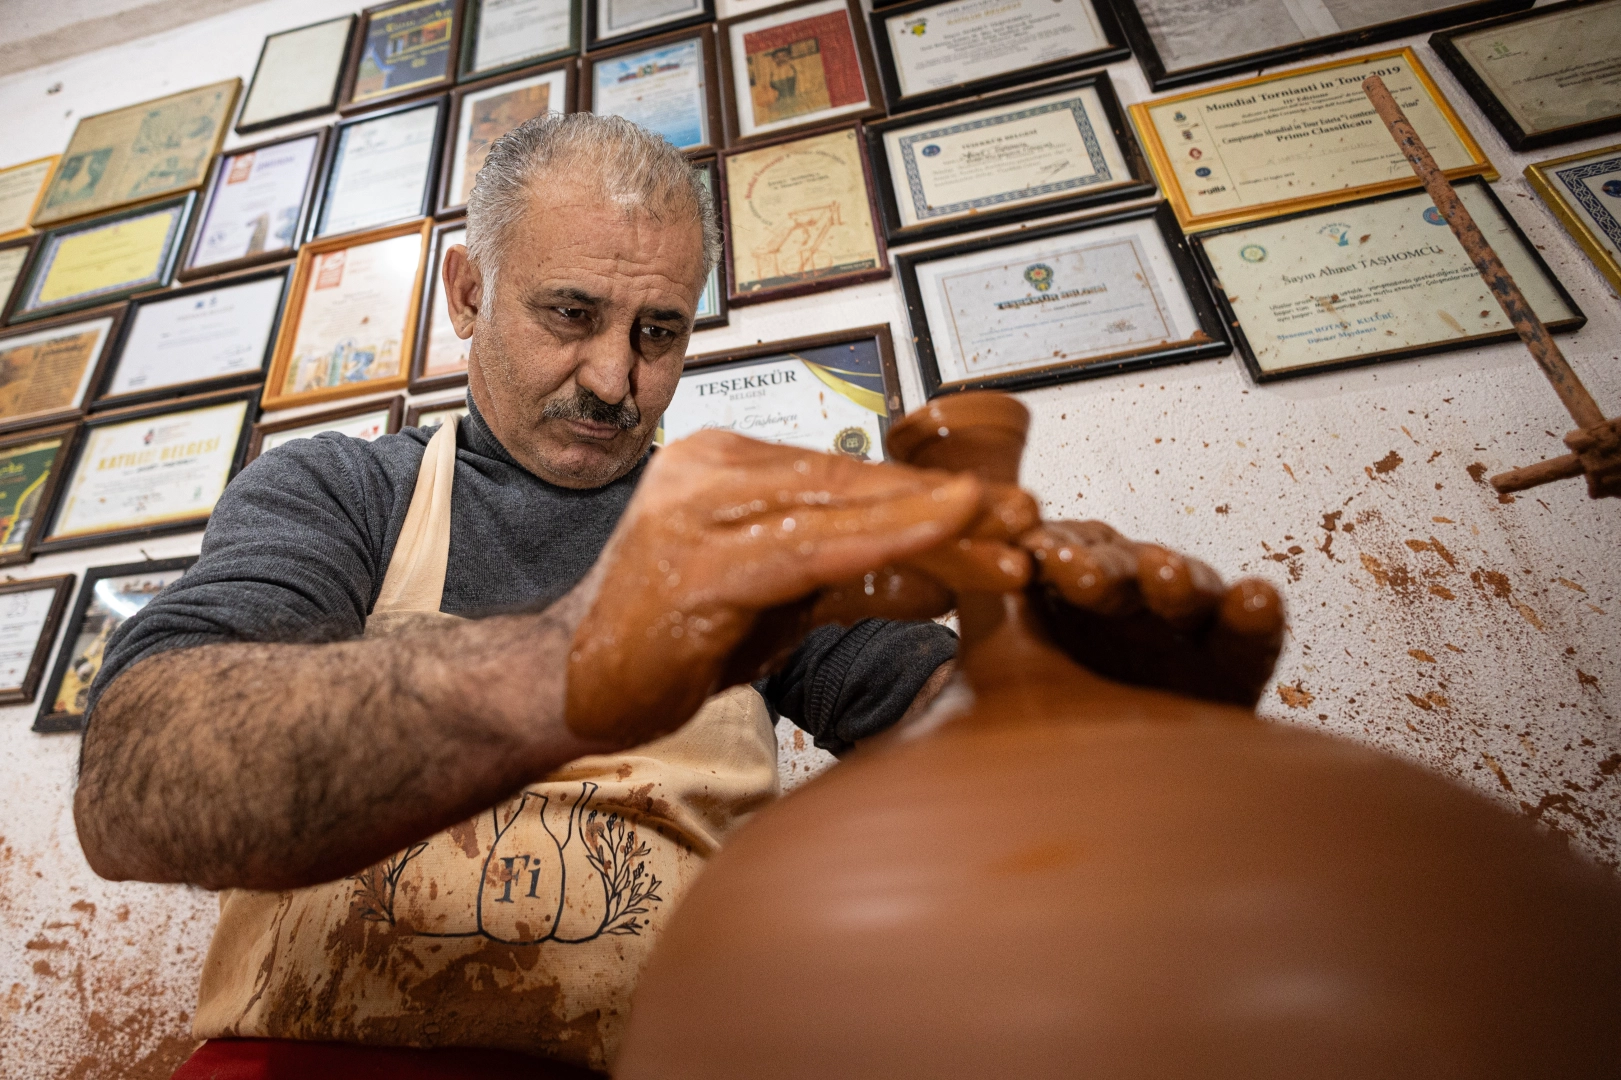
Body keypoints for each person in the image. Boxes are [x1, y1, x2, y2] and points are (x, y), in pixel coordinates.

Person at [74, 114, 1281, 1079]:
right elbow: (133, 784)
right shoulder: (340, 491)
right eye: (570, 314)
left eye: (659, 331)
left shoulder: (757, 536)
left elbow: (972, 770)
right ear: (467, 292)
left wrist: (1100, 729)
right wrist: (567, 665)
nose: (614, 379)